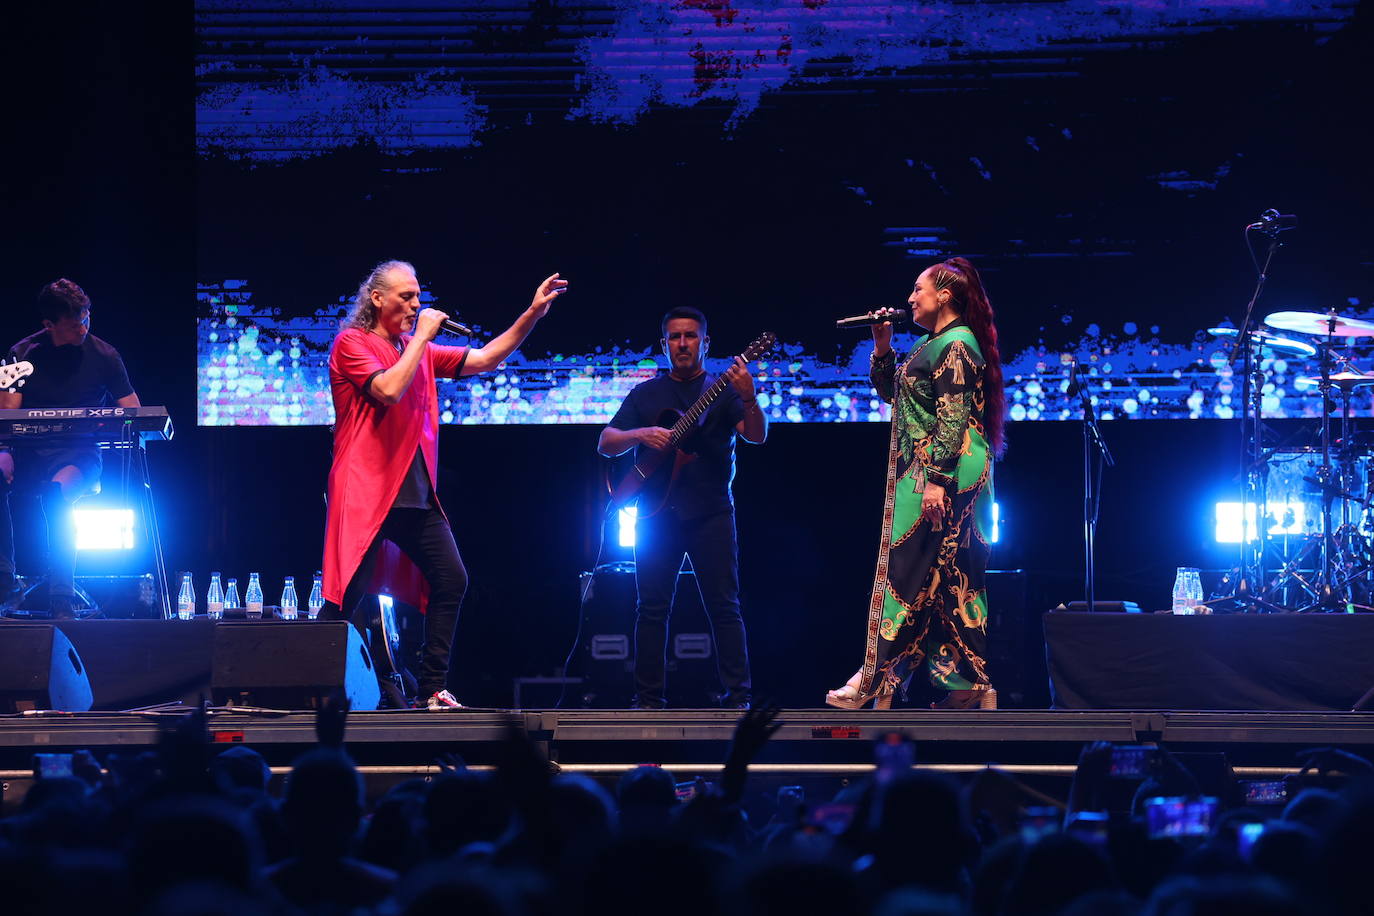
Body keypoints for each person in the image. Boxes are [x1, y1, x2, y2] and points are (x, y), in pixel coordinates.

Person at [322, 260, 567, 710]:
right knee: (345, 599)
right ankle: (311, 686)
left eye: (417, 296)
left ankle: (431, 688)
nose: (417, 305)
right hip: (366, 493)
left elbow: (488, 358)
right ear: (377, 299)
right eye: (406, 296)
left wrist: (532, 313)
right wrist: (419, 342)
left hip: (414, 493)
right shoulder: (352, 343)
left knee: (451, 577)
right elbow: (390, 389)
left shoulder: (416, 349)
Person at [826, 257, 1005, 710]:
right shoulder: (933, 343)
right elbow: (897, 396)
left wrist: (937, 482)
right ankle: (965, 685)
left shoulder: (958, 343)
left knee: (905, 576)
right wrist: (882, 347)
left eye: (917, 289)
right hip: (932, 473)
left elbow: (953, 418)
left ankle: (873, 678)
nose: (909, 299)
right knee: (941, 578)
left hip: (944, 475)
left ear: (944, 295)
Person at [598, 306, 767, 709]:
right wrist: (642, 434)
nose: (682, 343)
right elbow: (605, 442)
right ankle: (648, 699)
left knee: (724, 606)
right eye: (674, 337)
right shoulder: (645, 393)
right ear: (664, 344)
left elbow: (757, 436)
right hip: (656, 516)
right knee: (650, 609)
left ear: (705, 343)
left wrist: (748, 394)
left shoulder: (724, 390)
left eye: (690, 336)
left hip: (712, 513)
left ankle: (738, 697)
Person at [0, 279, 141, 618]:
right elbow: (6, 415)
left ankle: (61, 596)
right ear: (49, 325)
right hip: (29, 453)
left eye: (86, 317)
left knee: (56, 494)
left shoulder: (106, 355)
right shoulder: (20, 354)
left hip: (79, 456)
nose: (83, 327)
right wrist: (4, 452)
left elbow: (134, 411)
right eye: (75, 323)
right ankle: (5, 579)